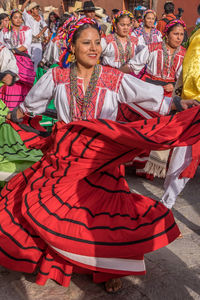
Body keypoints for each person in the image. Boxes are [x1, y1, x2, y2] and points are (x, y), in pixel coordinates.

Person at [0, 17, 199, 294]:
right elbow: (30, 106)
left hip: (102, 160)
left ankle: (109, 269)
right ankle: (63, 260)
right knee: (55, 209)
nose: (93, 48)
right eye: (86, 42)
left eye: (97, 42)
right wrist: (12, 115)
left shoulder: (113, 78)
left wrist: (178, 103)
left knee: (107, 218)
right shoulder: (55, 77)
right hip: (66, 158)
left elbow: (148, 94)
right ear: (72, 45)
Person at [161, 25, 200, 209]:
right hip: (196, 106)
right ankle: (166, 205)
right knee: (184, 157)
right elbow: (193, 74)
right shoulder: (199, 38)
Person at [121, 19, 186, 97]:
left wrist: (174, 85)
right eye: (176, 34)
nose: (179, 38)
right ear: (167, 34)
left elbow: (184, 78)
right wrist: (115, 75)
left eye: (181, 34)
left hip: (171, 92)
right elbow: (132, 66)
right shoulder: (152, 48)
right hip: (149, 88)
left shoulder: (184, 54)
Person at [0, 9, 35, 111]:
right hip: (8, 59)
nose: (18, 20)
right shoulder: (4, 31)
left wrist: (13, 51)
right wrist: (8, 53)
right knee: (9, 81)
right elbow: (2, 44)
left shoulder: (27, 29)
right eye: (15, 18)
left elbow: (26, 45)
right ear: (11, 19)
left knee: (21, 82)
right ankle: (8, 108)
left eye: (20, 17)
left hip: (23, 60)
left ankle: (21, 109)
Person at [21, 0, 48, 71]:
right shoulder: (27, 16)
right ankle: (27, 73)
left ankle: (35, 75)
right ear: (32, 10)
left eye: (38, 9)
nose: (37, 11)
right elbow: (22, 9)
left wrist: (40, 33)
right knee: (28, 57)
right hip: (27, 41)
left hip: (37, 40)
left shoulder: (40, 18)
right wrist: (27, 1)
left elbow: (45, 26)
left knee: (38, 59)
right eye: (36, 9)